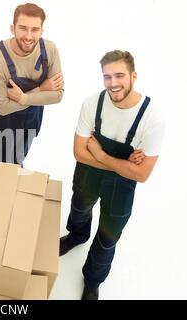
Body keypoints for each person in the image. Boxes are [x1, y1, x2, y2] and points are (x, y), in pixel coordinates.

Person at [59, 50, 166, 300]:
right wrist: (122, 164)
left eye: (119, 75)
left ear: (133, 76)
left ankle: (93, 281)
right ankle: (77, 235)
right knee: (80, 208)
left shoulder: (153, 117)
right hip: (89, 173)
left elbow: (142, 174)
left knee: (108, 237)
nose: (113, 83)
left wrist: (101, 155)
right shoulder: (91, 103)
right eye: (107, 77)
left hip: (122, 187)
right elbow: (79, 152)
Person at [0, 3, 64, 165]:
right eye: (23, 28)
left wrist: (23, 98)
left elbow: (57, 95)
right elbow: (3, 107)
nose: (28, 36)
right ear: (12, 29)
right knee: (1, 166)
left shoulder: (49, 50)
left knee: (17, 162)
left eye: (35, 30)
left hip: (31, 120)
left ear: (41, 32)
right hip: (2, 122)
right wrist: (42, 89)